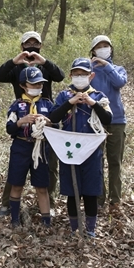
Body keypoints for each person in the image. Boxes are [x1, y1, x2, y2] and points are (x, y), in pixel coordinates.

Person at [0, 31, 65, 215]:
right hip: (23, 116)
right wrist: (14, 61)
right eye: (28, 44)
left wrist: (44, 61)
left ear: (40, 46)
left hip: (45, 116)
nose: (31, 46)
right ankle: (7, 204)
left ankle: (49, 203)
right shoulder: (18, 69)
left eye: (35, 43)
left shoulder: (45, 66)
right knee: (16, 171)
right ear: (22, 47)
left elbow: (61, 76)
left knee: (49, 165)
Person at [49, 58, 112, 237]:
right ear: (70, 75)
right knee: (71, 189)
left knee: (91, 190)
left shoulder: (99, 96)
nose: (79, 77)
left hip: (92, 150)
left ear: (91, 76)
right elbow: (54, 117)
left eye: (83, 74)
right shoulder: (63, 96)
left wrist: (92, 103)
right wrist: (71, 102)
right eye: (76, 74)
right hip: (69, 150)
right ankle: (75, 228)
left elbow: (107, 119)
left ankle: (90, 229)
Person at [5, 67, 55, 228]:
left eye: (40, 83)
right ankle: (14, 220)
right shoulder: (16, 105)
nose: (37, 87)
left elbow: (58, 124)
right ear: (23, 86)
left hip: (41, 148)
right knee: (17, 184)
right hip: (21, 146)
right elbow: (9, 128)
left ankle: (46, 222)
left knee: (41, 186)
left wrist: (48, 122)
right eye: (33, 84)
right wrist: (22, 121)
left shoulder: (47, 104)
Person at [89, 35, 128, 210]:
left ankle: (115, 199)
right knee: (97, 159)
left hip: (117, 120)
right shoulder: (88, 69)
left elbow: (119, 83)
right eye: (99, 46)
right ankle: (98, 198)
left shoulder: (118, 69)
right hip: (95, 119)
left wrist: (107, 66)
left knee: (115, 161)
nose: (103, 48)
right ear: (93, 50)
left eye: (106, 46)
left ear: (111, 49)